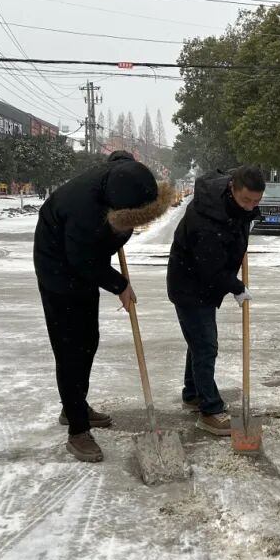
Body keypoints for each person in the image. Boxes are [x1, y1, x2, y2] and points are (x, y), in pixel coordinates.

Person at [34, 150, 173, 462]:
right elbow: (82, 259)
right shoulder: (84, 211)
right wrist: (119, 284)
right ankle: (77, 430)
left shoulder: (124, 178)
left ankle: (75, 406)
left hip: (83, 260)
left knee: (89, 339)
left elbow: (120, 158)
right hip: (57, 265)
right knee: (71, 346)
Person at [167, 166, 264, 435]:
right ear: (231, 188)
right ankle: (209, 409)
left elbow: (235, 228)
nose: (250, 207)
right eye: (246, 201)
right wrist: (236, 287)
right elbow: (209, 269)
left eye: (256, 202)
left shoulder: (233, 205)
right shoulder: (206, 219)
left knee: (198, 342)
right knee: (206, 345)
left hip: (204, 284)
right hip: (190, 285)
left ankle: (192, 393)